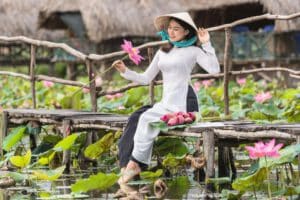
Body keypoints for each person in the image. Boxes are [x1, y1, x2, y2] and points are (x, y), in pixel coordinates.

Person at [113, 12, 220, 184]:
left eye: (176, 29)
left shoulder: (194, 51)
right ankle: (133, 164)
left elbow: (214, 70)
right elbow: (147, 78)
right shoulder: (163, 51)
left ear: (186, 31)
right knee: (139, 117)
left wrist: (207, 43)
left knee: (146, 118)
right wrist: (125, 71)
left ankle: (136, 164)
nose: (171, 32)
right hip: (166, 101)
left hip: (185, 101)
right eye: (169, 28)